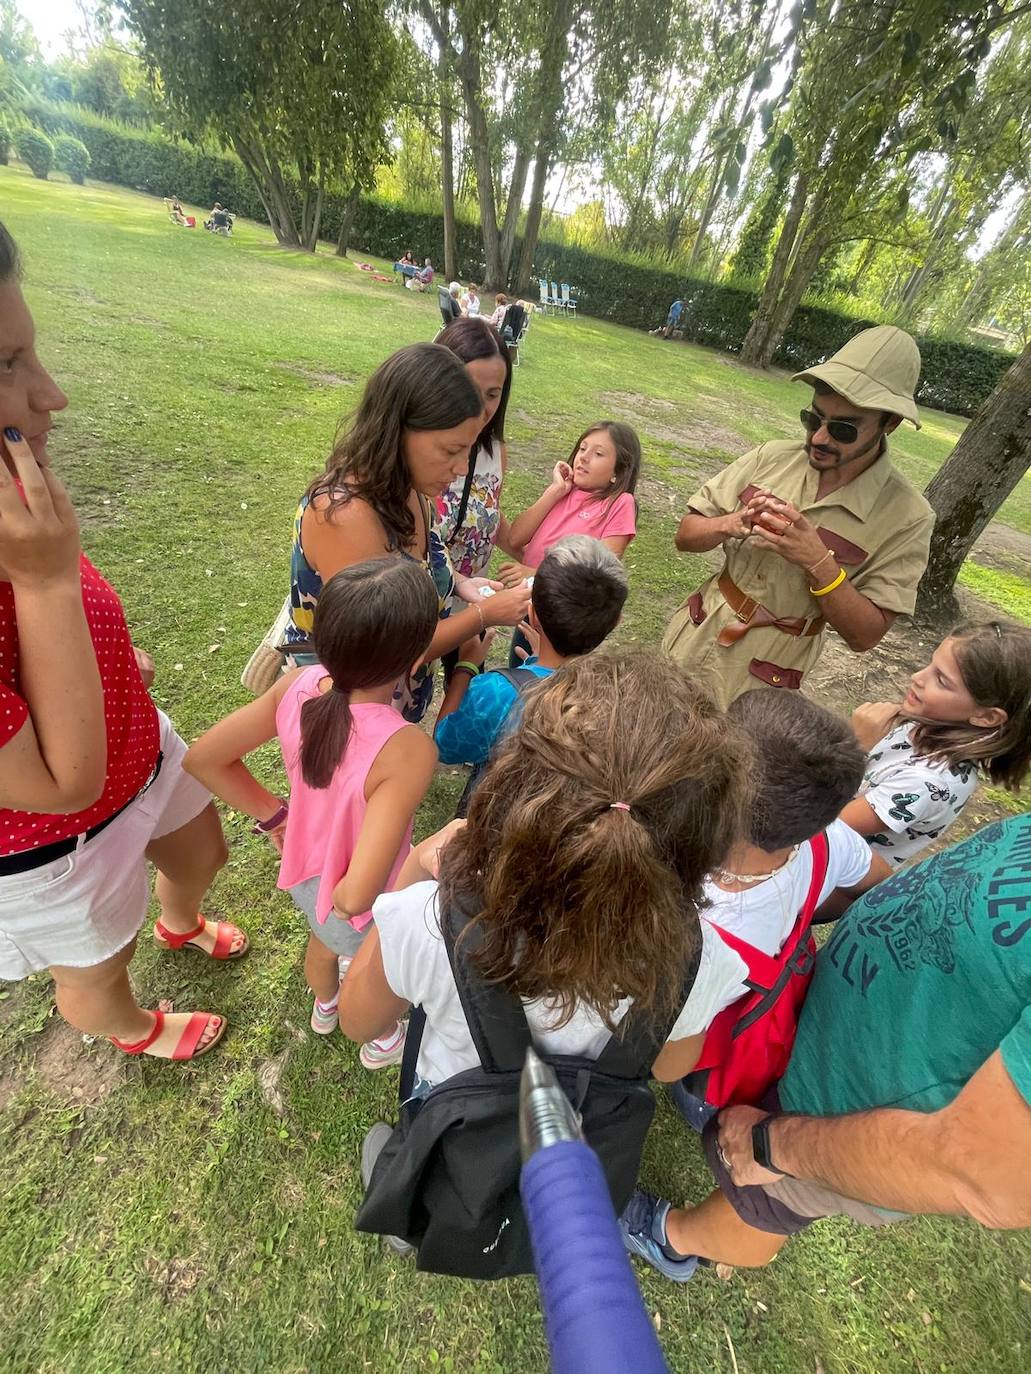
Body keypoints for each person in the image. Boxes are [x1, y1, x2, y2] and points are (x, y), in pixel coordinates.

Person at [340, 648, 753, 1149]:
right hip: (577, 1143)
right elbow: (670, 1067)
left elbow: (357, 1020)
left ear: (510, 790)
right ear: (703, 845)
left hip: (453, 1126)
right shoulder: (700, 958)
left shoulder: (428, 920)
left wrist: (414, 867)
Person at [0, 220, 237, 1062]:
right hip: (53, 847)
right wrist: (44, 581)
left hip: (142, 749)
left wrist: (100, 660)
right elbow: (63, 782)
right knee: (99, 964)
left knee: (201, 852)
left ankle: (180, 920)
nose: (52, 394)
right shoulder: (29, 545)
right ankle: (129, 1026)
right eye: (7, 365)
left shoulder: (14, 507)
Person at [621, 814, 1031, 1281]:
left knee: (767, 1204)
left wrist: (773, 1146)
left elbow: (987, 1175)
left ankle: (673, 1238)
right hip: (818, 1023)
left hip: (858, 1108)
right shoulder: (820, 847)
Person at [186, 558, 440, 1068]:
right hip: (361, 902)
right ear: (414, 658)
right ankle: (381, 1040)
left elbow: (203, 758)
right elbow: (356, 896)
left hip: (304, 873)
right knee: (368, 963)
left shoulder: (299, 684)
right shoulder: (406, 749)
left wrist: (275, 817)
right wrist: (353, 902)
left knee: (324, 943)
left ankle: (324, 1005)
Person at [662, 326, 935, 708]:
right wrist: (729, 523)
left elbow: (864, 636)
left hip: (765, 677)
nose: (819, 438)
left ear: (890, 423)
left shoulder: (907, 517)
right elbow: (685, 535)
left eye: (842, 429)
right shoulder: (771, 457)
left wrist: (818, 562)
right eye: (813, 419)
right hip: (693, 638)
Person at [659, 689, 890, 1131]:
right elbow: (877, 882)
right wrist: (799, 915)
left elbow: (667, 1062)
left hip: (704, 1059)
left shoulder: (697, 927)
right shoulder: (827, 840)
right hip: (748, 1002)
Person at [284, 342, 530, 722]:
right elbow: (385, 650)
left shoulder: (411, 488)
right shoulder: (346, 517)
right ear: (397, 431)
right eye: (450, 450)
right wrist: (483, 615)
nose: (461, 468)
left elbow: (421, 560)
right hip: (346, 721)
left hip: (394, 706)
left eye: (467, 450)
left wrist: (461, 582)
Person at [841, 622, 1031, 867]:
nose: (917, 677)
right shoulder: (922, 726)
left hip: (828, 872)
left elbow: (824, 826)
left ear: (986, 717)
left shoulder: (928, 781)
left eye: (941, 680)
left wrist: (854, 748)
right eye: (931, 664)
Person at [434, 536, 629, 774]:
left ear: (532, 614)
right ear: (616, 622)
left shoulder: (498, 693)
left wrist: (466, 667)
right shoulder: (621, 695)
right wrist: (538, 661)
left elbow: (443, 745)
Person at [499, 421, 639, 663]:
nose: (583, 457)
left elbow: (600, 574)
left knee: (548, 677)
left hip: (567, 617)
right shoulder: (563, 491)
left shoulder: (620, 503)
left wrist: (535, 574)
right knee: (519, 669)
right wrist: (554, 491)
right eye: (582, 448)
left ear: (618, 471)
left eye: (598, 453)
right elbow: (516, 537)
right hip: (533, 606)